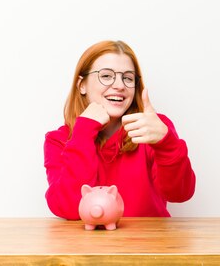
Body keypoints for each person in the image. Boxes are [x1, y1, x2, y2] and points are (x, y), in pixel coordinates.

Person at [43, 40, 196, 219]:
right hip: (87, 246)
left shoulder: (151, 128)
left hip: (149, 244)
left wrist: (166, 143)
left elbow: (180, 194)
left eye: (128, 78)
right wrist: (83, 131)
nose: (120, 85)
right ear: (81, 85)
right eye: (106, 76)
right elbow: (67, 208)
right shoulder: (58, 140)